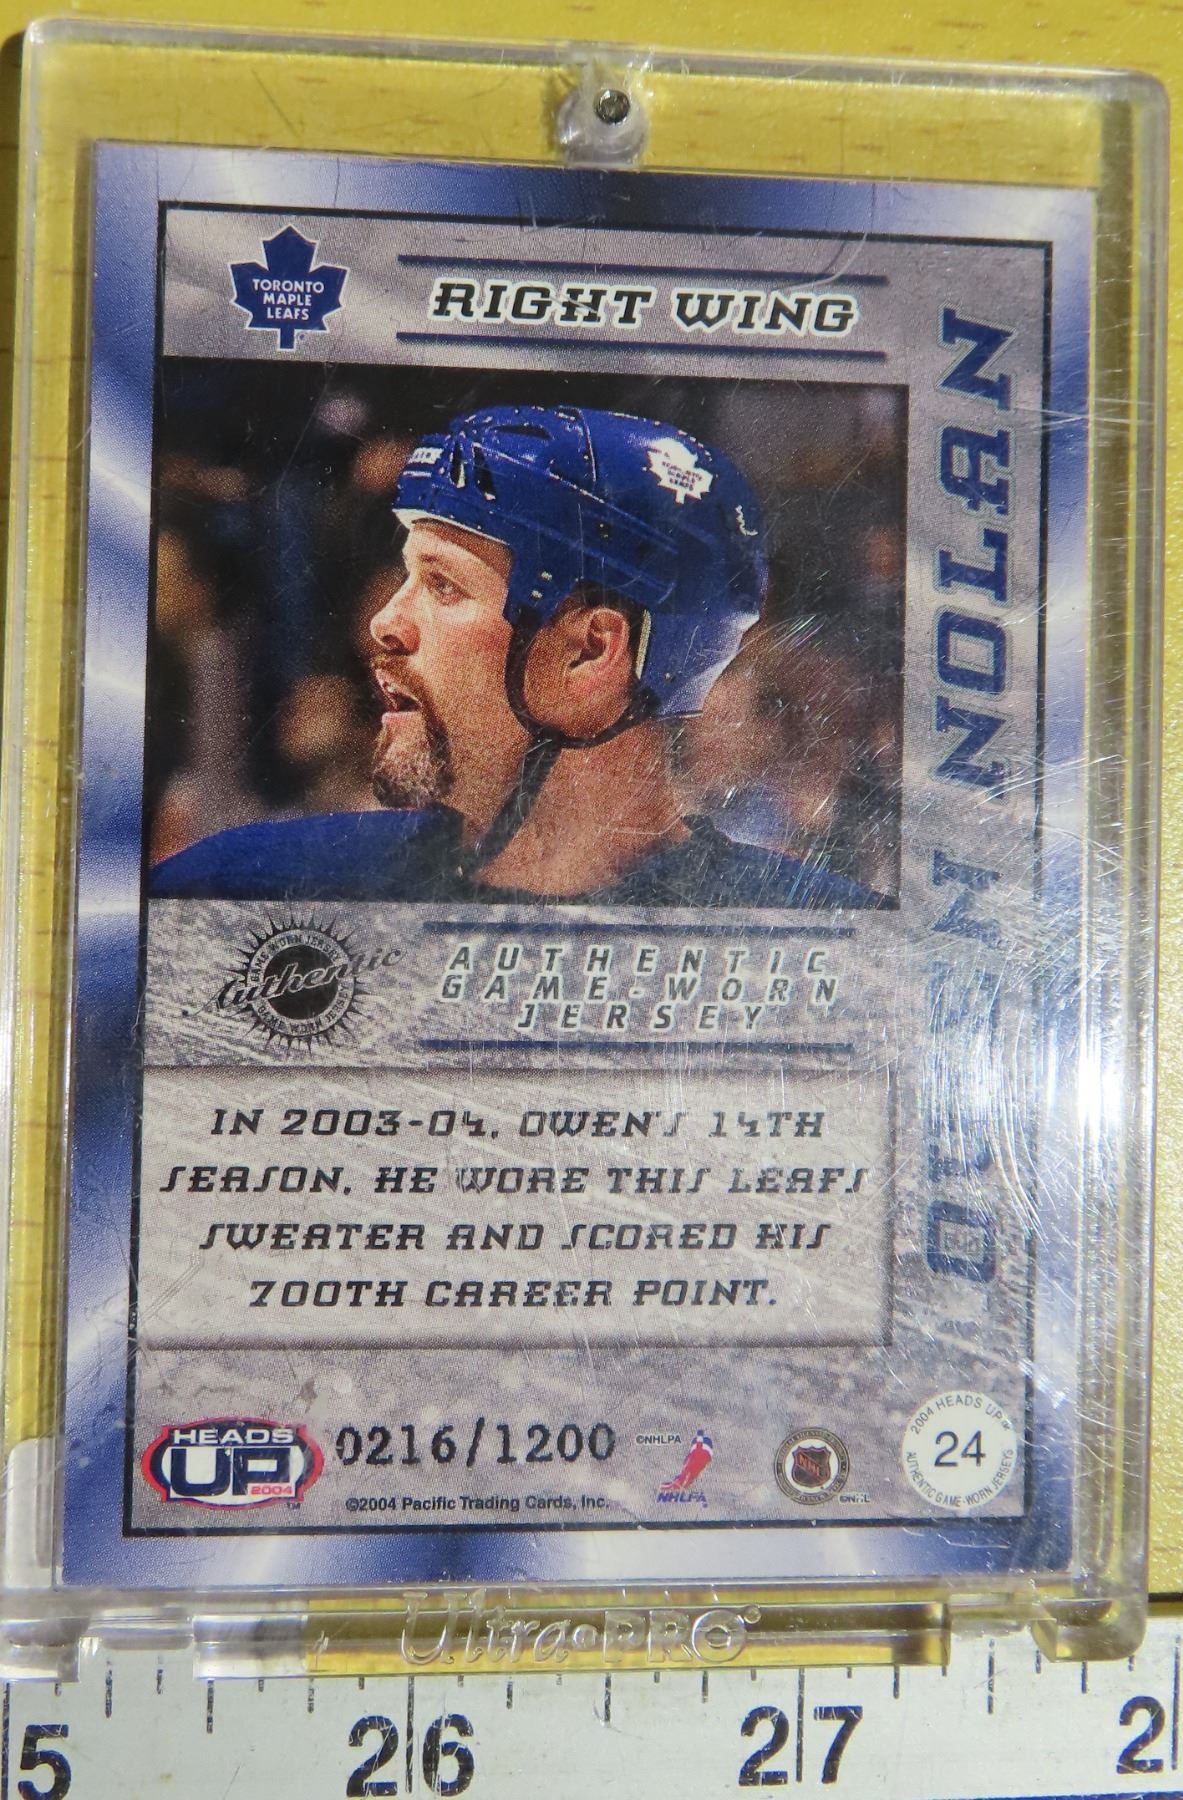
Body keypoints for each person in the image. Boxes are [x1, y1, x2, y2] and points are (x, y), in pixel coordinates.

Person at [150, 405, 886, 908]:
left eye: (442, 586)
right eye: (407, 577)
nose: (384, 622)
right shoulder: (233, 887)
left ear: (590, 652)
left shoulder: (816, 935)